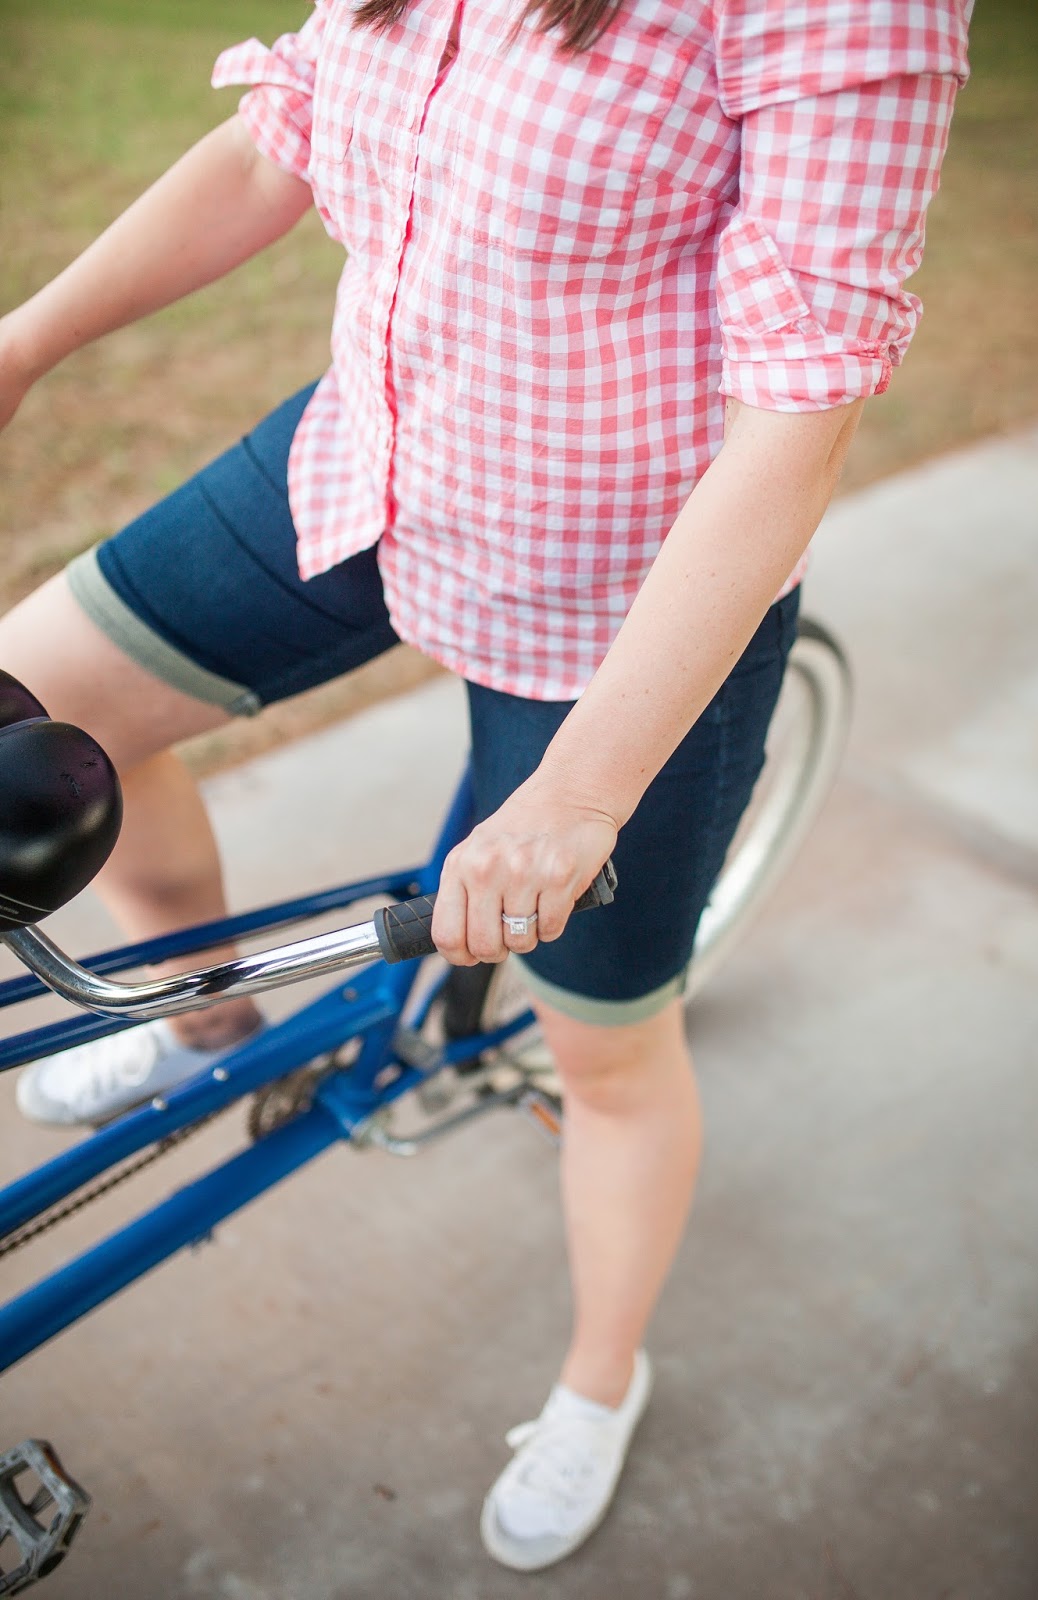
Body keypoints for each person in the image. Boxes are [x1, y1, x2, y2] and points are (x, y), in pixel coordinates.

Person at [0, 0, 969, 1572]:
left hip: (625, 595)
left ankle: (598, 1381)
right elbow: (285, 137)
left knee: (608, 1054)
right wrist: (24, 339)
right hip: (365, 462)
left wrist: (584, 792)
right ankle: (202, 1019)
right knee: (31, 717)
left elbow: (800, 413)